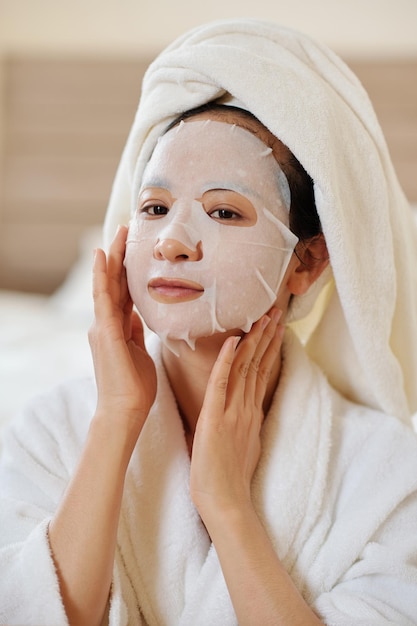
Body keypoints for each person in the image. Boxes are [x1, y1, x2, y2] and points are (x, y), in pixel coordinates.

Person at [1, 18, 417, 626]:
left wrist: (228, 508)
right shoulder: (46, 432)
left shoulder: (384, 473)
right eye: (155, 208)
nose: (172, 241)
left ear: (308, 261)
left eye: (224, 210)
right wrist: (117, 419)